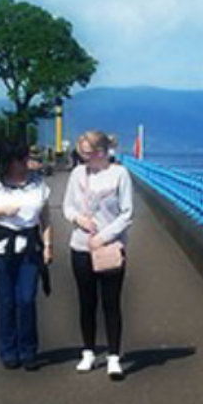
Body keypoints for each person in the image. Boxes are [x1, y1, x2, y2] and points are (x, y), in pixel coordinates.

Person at [62, 130, 134, 379]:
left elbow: (127, 213)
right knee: (86, 302)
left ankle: (114, 356)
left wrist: (104, 236)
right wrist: (78, 218)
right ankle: (88, 352)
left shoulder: (119, 174)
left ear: (101, 153)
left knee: (111, 303)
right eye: (81, 153)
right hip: (81, 245)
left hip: (109, 247)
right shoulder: (77, 174)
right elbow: (67, 206)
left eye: (87, 153)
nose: (82, 158)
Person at [0, 139, 53, 369]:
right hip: (1, 249)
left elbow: (46, 217)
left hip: (30, 247)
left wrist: (48, 245)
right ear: (8, 161)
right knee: (7, 301)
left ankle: (28, 349)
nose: (26, 163)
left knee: (27, 299)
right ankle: (8, 350)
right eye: (21, 159)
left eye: (26, 157)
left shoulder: (38, 183)